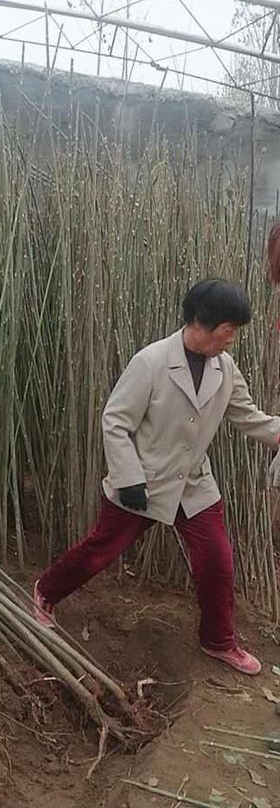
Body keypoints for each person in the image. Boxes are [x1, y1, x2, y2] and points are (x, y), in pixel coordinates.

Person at [33, 279, 280, 675]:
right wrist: (128, 475)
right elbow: (115, 420)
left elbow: (247, 416)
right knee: (102, 550)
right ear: (202, 322)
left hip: (195, 484)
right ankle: (46, 591)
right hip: (144, 484)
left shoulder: (225, 367)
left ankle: (218, 641)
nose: (231, 340)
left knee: (218, 560)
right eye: (228, 330)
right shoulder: (151, 362)